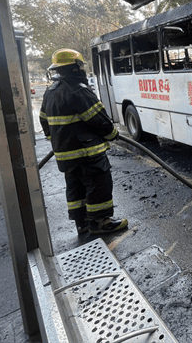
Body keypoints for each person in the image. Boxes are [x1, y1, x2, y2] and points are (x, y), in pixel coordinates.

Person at [39, 49, 127, 235]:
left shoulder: (50, 91)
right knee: (98, 184)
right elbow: (99, 119)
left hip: (65, 155)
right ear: (74, 68)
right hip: (86, 152)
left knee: (75, 187)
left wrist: (56, 140)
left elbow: (43, 120)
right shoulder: (79, 90)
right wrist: (112, 134)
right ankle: (101, 222)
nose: (83, 69)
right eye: (80, 65)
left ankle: (82, 223)